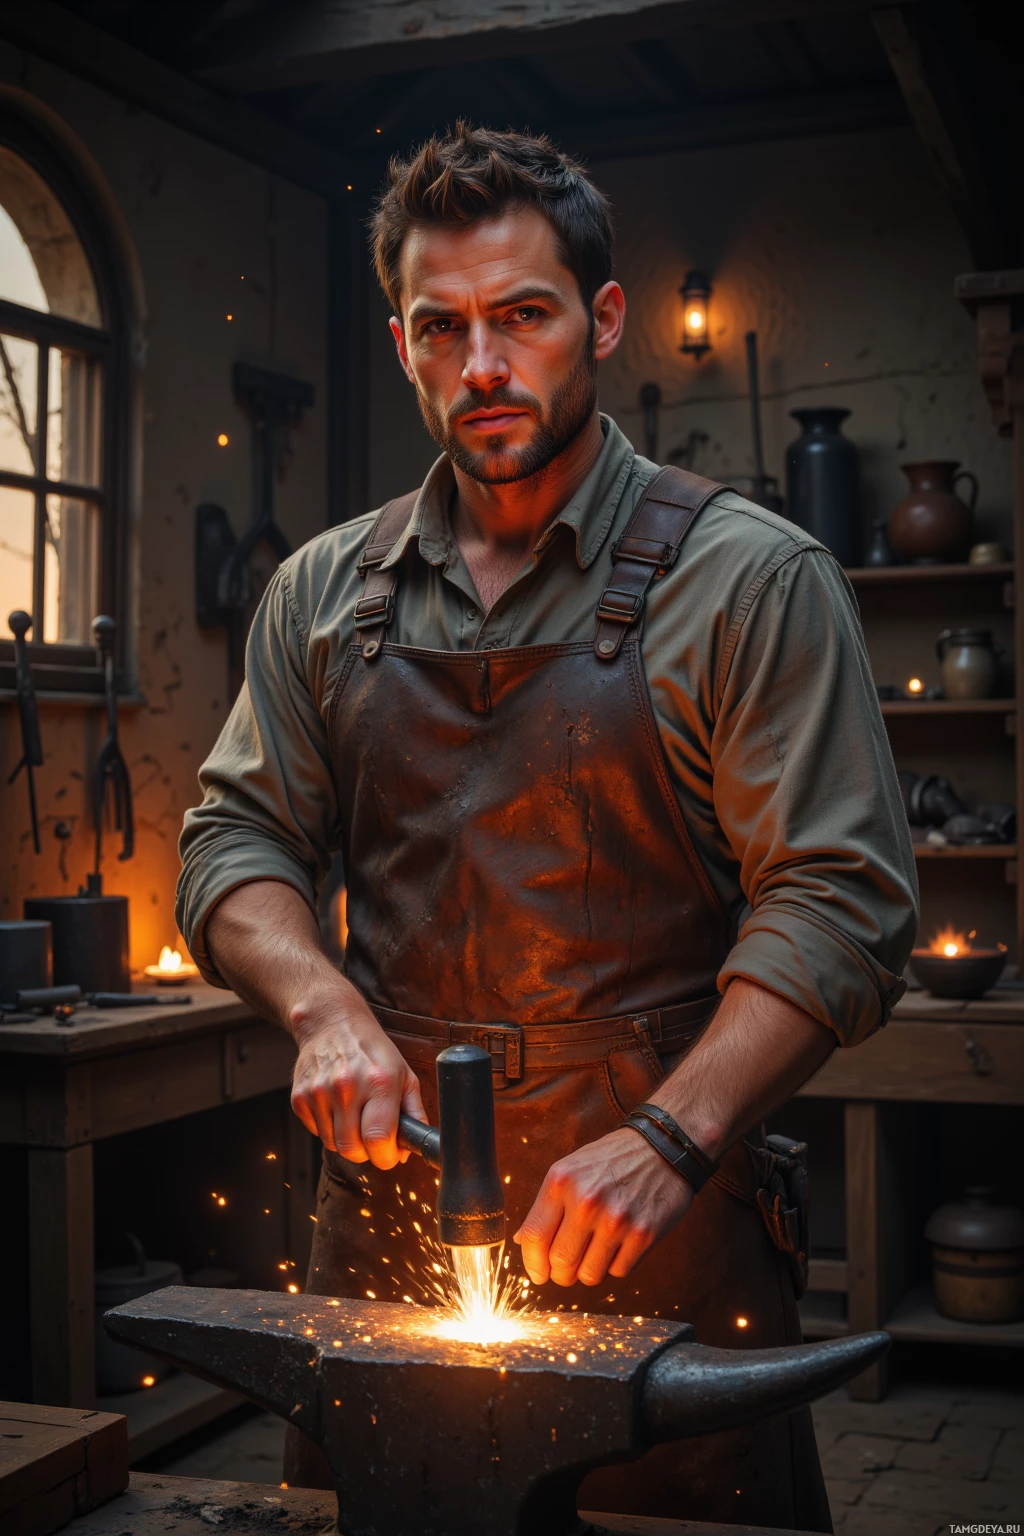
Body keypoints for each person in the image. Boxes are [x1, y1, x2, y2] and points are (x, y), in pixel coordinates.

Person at [177, 123, 917, 1530]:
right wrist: (323, 1010)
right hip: (387, 1223)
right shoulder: (324, 595)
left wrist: (671, 1136)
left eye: (522, 315)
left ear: (604, 319)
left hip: (660, 1226)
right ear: (403, 345)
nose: (484, 365)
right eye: (442, 328)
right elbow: (234, 844)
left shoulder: (751, 582)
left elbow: (840, 903)